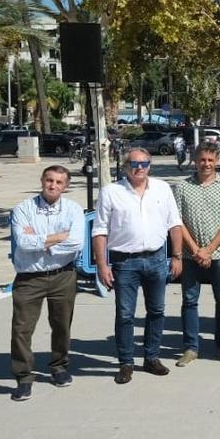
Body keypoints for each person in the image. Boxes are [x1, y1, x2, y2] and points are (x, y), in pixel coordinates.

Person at [92, 148, 184, 384]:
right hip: (125, 262)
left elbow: (174, 224)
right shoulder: (111, 192)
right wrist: (102, 265)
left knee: (157, 311)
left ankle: (151, 357)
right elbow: (100, 230)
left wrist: (177, 256)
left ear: (150, 165)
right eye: (134, 163)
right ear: (125, 166)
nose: (139, 167)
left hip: (156, 259)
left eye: (144, 163)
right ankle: (126, 363)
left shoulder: (163, 188)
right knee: (125, 315)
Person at [8, 165, 84, 401]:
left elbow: (76, 243)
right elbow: (23, 243)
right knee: (22, 329)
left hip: (63, 275)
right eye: (49, 180)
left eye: (59, 182)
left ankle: (59, 366)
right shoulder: (23, 209)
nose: (53, 185)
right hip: (30, 278)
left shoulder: (73, 209)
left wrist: (40, 240)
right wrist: (58, 237)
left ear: (66, 185)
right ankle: (23, 377)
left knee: (62, 324)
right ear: (42, 181)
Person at [172, 142, 220, 365]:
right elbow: (177, 222)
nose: (206, 164)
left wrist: (209, 250)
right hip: (191, 254)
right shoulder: (182, 187)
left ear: (217, 161)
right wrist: (195, 249)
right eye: (202, 159)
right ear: (195, 159)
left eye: (211, 160)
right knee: (190, 300)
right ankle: (191, 347)